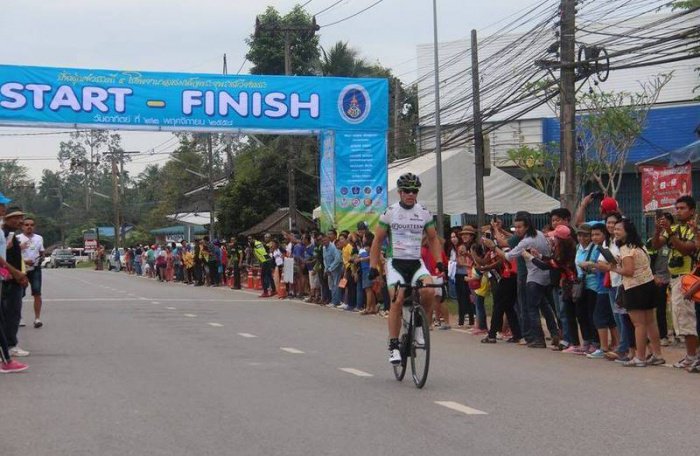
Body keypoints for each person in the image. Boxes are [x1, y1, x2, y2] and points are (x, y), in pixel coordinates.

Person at [369, 172, 444, 365]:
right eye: (407, 191)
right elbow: (377, 241)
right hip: (395, 262)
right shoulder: (390, 212)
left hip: (415, 261)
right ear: (400, 193)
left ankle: (419, 326)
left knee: (429, 291)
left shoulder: (424, 212)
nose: (411, 194)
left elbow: (434, 238)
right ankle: (393, 345)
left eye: (414, 191)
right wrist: (373, 267)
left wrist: (438, 261)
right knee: (398, 298)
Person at [491, 212, 556, 348]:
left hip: (531, 276)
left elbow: (508, 256)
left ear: (527, 226)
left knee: (529, 308)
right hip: (544, 274)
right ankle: (554, 333)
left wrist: (493, 246)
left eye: (520, 227)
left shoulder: (527, 241)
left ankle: (536, 338)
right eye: (516, 227)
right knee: (544, 306)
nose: (517, 230)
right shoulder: (538, 234)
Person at [652, 195, 698, 370]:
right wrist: (658, 230)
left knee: (687, 319)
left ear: (692, 210)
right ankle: (690, 355)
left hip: (689, 278)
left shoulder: (695, 229)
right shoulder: (674, 227)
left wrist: (671, 233)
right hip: (675, 278)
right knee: (680, 319)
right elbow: (656, 245)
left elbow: (686, 250)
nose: (678, 211)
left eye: (682, 208)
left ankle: (692, 355)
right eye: (677, 208)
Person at [614, 218, 665, 367]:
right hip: (648, 285)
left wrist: (610, 268)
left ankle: (640, 357)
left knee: (638, 324)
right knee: (650, 322)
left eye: (618, 229)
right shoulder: (639, 245)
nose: (615, 232)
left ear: (627, 232)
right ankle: (657, 354)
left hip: (635, 288)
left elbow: (628, 271)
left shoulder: (625, 248)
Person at [0, 195, 29, 373]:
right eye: (1, 205)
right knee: (5, 317)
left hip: (5, 277)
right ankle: (7, 357)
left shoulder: (10, 235)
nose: (4, 207)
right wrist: (13, 272)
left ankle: (7, 358)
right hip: (7, 278)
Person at [17, 216, 45, 328]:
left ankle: (37, 319)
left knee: (37, 293)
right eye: (27, 225)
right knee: (19, 294)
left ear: (34, 227)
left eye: (32, 225)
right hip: (21, 269)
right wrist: (24, 261)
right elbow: (11, 255)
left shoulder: (39, 238)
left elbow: (41, 251)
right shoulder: (17, 238)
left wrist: (40, 258)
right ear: (22, 227)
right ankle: (19, 317)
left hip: (35, 269)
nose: (29, 227)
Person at [323, 232, 343, 307]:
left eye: (325, 240)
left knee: (336, 285)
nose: (324, 242)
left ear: (328, 239)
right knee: (331, 285)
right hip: (329, 269)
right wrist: (326, 269)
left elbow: (337, 259)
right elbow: (324, 259)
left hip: (336, 268)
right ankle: (333, 300)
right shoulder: (324, 248)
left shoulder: (333, 247)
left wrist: (331, 268)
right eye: (322, 241)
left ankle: (336, 302)